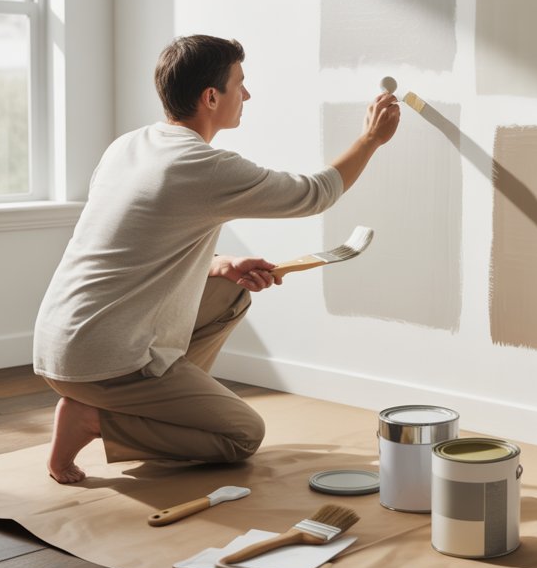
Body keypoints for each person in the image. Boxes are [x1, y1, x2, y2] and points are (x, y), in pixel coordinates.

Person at [32, 35, 399, 483]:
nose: (246, 95)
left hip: (60, 342)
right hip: (103, 362)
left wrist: (218, 263)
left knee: (231, 294)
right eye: (239, 84)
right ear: (211, 97)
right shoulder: (204, 167)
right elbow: (314, 195)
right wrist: (371, 138)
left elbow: (128, 248)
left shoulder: (128, 146)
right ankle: (96, 419)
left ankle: (146, 398)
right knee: (242, 436)